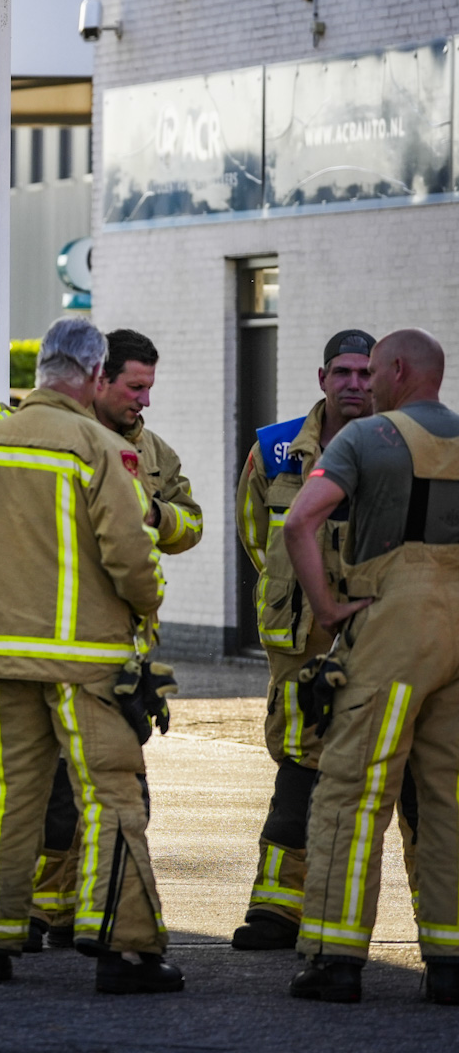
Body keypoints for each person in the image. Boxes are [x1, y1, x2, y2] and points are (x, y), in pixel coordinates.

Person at [0, 317, 181, 994]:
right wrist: (144, 606)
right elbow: (132, 557)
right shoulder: (97, 447)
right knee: (109, 797)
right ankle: (122, 949)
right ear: (96, 376)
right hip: (85, 662)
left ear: (41, 368)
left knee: (7, 797)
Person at [283, 329, 459, 1005]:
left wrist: (327, 606)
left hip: (393, 627)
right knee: (446, 796)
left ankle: (334, 956)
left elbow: (300, 522)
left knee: (353, 791)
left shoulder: (365, 440)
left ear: (399, 369)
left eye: (376, 371)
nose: (369, 385)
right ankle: (448, 960)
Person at [29, 329, 202, 950]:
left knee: (111, 788)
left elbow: (193, 522)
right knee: (58, 790)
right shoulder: (63, 441)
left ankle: (79, 913)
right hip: (65, 641)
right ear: (98, 378)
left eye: (149, 389)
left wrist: (157, 517)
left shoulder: (154, 453)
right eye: (135, 387)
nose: (144, 402)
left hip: (122, 649)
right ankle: (51, 911)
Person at [229, 329, 391, 952]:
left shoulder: (403, 446)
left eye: (364, 373)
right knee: (298, 768)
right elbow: (255, 535)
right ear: (321, 378)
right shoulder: (273, 451)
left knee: (389, 776)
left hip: (383, 641)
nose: (354, 384)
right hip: (300, 647)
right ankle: (275, 910)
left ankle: (340, 916)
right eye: (342, 372)